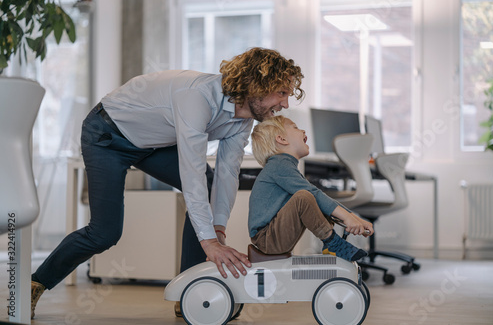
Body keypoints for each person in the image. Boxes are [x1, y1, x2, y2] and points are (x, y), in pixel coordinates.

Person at [30, 47, 305, 319]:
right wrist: (208, 241)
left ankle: (190, 291)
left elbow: (226, 174)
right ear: (256, 84)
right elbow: (192, 172)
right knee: (105, 233)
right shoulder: (197, 97)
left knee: (210, 191)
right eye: (281, 92)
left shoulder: (243, 119)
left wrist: (218, 228)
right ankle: (35, 283)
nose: (285, 104)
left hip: (152, 143)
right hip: (107, 135)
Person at [248, 115, 374, 261]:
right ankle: (332, 243)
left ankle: (333, 243)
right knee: (304, 197)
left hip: (272, 235)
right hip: (267, 238)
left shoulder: (285, 165)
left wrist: (353, 218)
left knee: (311, 197)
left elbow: (318, 197)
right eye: (295, 127)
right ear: (281, 139)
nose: (302, 130)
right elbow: (312, 194)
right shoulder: (279, 165)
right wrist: (348, 218)